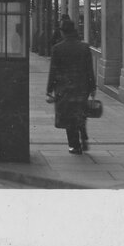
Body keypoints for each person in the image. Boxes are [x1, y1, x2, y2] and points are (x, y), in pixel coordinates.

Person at [46, 20, 98, 154]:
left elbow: (53, 70)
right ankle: (83, 134)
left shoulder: (57, 48)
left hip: (64, 88)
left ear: (62, 32)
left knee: (69, 115)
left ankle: (75, 145)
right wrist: (92, 87)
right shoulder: (84, 47)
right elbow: (89, 69)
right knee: (81, 111)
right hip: (82, 86)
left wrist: (49, 89)